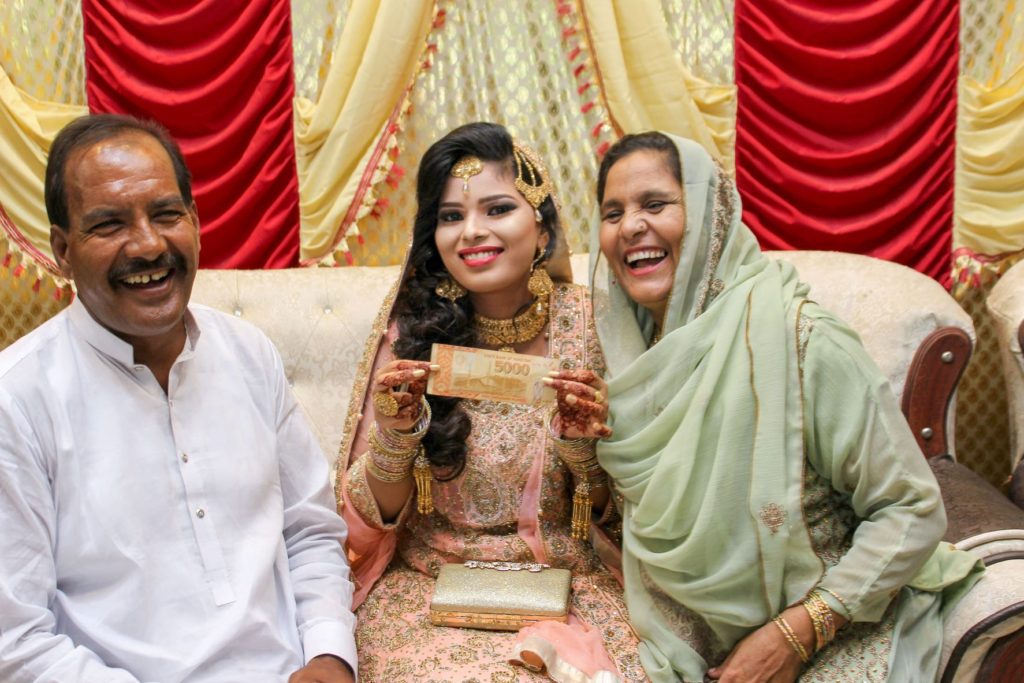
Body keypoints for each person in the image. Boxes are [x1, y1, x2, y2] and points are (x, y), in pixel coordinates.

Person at [587, 131, 984, 683]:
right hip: (677, 633)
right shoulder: (625, 360)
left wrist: (799, 631)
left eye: (655, 204)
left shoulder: (803, 340)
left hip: (828, 624)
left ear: (710, 217)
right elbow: (632, 515)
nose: (631, 226)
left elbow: (911, 510)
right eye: (612, 212)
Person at [0, 114, 357, 683]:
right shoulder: (15, 400)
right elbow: (15, 642)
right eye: (109, 224)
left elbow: (309, 531)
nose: (147, 245)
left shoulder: (248, 352)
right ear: (63, 251)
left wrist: (330, 657)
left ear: (194, 222)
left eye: (166, 214)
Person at [336, 122, 646, 681]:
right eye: (450, 217)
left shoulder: (598, 324)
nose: (471, 233)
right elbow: (365, 522)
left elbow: (640, 513)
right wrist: (397, 436)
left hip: (574, 591)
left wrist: (582, 451)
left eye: (497, 209)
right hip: (429, 595)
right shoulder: (414, 332)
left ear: (543, 227)